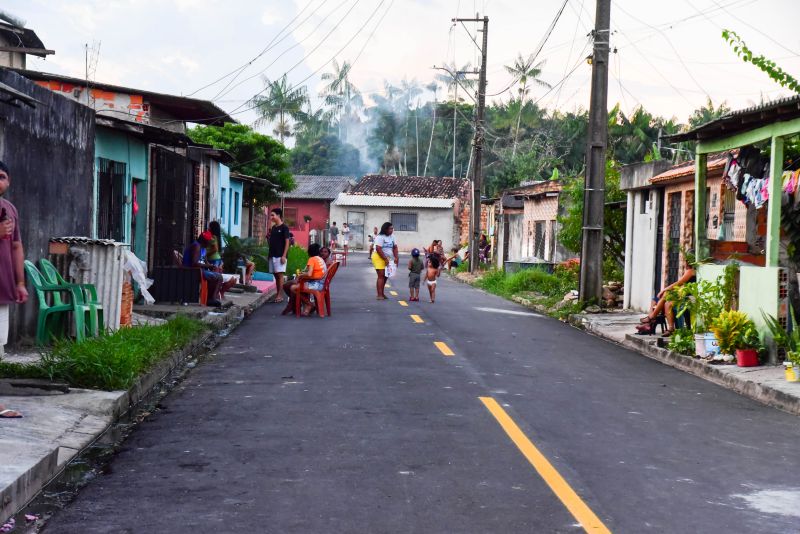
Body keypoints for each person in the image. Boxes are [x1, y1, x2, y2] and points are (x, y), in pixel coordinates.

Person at [0, 161, 27, 418]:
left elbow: (16, 247)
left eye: (2, 177)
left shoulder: (10, 209)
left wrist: (20, 283)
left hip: (3, 290)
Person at [637, 266, 697, 336]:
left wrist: (664, 290)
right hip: (681, 294)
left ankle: (652, 319)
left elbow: (679, 283)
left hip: (688, 297)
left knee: (666, 299)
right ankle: (651, 320)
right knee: (655, 300)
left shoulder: (691, 271)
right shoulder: (687, 270)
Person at [281, 243, 327, 316]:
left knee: (293, 288)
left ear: (309, 253)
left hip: (316, 284)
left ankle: (309, 304)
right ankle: (298, 306)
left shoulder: (312, 259)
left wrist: (300, 275)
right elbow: (314, 272)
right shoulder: (320, 259)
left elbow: (309, 274)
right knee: (294, 285)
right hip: (321, 283)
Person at [182, 231, 224, 307]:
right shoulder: (196, 246)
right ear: (204, 240)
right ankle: (211, 299)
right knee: (217, 277)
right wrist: (208, 266)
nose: (209, 243)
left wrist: (211, 266)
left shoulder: (203, 248)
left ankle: (211, 298)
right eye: (208, 241)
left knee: (218, 276)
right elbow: (194, 263)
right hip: (192, 271)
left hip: (200, 270)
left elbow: (206, 261)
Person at [268, 208, 291, 303]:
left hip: (280, 255)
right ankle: (278, 293)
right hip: (272, 254)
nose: (271, 217)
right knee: (275, 275)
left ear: (278, 215)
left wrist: (284, 255)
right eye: (271, 215)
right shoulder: (273, 228)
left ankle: (280, 295)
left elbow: (287, 242)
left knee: (280, 275)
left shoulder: (284, 228)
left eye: (273, 215)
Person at [371, 222, 398, 300]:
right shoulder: (380, 237)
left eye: (392, 228)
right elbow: (378, 249)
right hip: (378, 257)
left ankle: (382, 293)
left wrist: (396, 257)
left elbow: (395, 247)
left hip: (387, 257)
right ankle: (379, 295)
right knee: (381, 275)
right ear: (385, 229)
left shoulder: (392, 237)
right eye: (390, 228)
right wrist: (385, 259)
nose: (392, 230)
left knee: (386, 275)